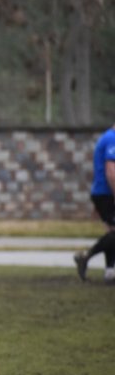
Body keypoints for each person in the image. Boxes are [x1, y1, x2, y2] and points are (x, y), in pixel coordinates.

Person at [74, 120, 115, 284]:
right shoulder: (112, 139)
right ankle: (85, 256)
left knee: (112, 234)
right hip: (105, 193)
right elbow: (111, 172)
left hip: (104, 193)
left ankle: (110, 272)